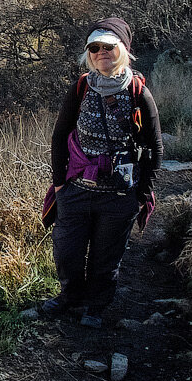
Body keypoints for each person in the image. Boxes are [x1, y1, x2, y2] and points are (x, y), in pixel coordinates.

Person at [40, 17, 163, 329]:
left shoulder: (138, 93)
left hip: (119, 195)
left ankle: (96, 306)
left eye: (107, 46)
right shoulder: (81, 88)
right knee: (67, 251)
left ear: (121, 49)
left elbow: (155, 147)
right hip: (77, 189)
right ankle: (70, 297)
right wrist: (59, 186)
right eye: (93, 47)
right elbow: (59, 136)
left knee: (105, 259)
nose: (100, 52)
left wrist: (141, 193)